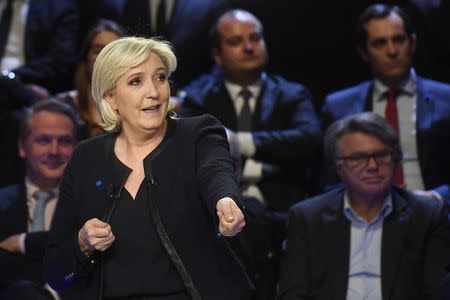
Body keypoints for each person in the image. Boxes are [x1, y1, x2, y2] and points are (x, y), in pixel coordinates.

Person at [44, 36, 253, 299]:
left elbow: (216, 170)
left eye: (160, 78)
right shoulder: (86, 158)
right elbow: (57, 275)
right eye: (135, 82)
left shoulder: (197, 133)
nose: (153, 92)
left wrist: (225, 199)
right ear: (111, 98)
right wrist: (82, 244)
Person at [278, 112, 450, 300]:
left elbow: (436, 293)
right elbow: (293, 293)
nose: (372, 166)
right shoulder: (307, 217)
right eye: (358, 158)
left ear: (396, 160)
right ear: (339, 167)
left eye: (381, 155)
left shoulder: (427, 216)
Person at [180, 9, 322, 213]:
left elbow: (309, 140)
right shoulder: (198, 99)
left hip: (286, 212)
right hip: (215, 211)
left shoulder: (293, 94)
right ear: (217, 55)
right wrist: (266, 167)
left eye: (255, 38)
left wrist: (240, 142)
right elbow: (193, 153)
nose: (248, 47)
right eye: (236, 41)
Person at [321, 4, 450, 204]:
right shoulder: (339, 107)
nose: (392, 51)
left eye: (398, 40)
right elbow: (328, 182)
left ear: (413, 43)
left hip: (435, 210)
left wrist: (437, 197)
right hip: (368, 214)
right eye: (379, 43)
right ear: (364, 52)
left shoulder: (447, 99)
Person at [0, 99, 81, 299]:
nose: (54, 151)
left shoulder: (94, 202)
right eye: (43, 140)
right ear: (22, 147)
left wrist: (23, 242)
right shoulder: (2, 204)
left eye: (64, 141)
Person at [59, 19, 127, 137]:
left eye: (113, 50)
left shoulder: (138, 106)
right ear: (86, 57)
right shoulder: (62, 107)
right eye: (98, 50)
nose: (105, 57)